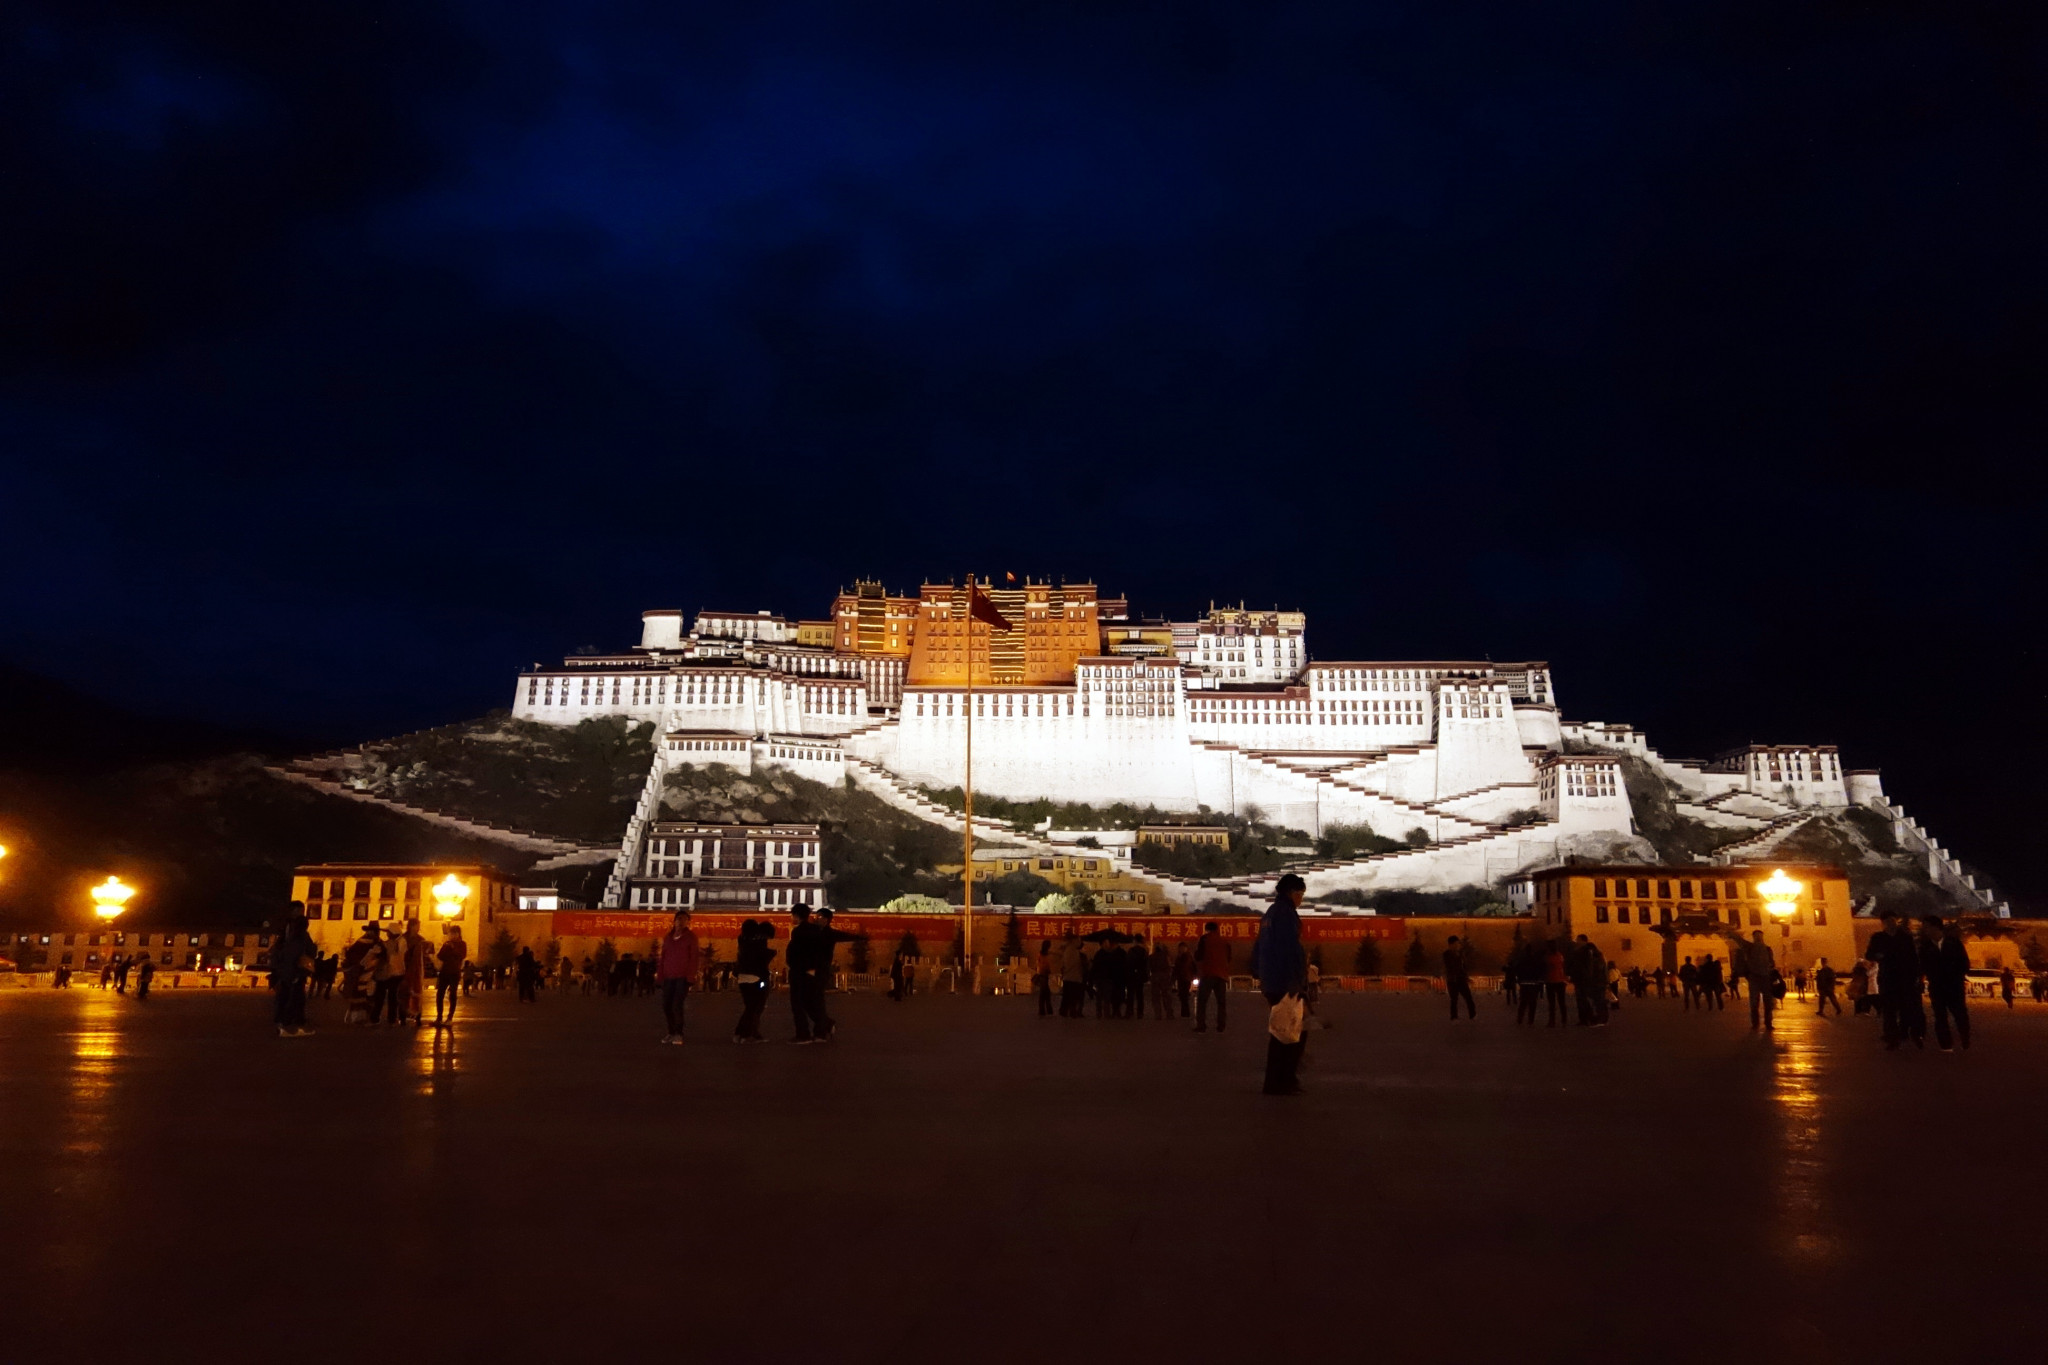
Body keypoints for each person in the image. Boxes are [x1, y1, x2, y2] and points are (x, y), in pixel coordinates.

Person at [1252, 874, 1310, 1095]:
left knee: (1282, 1030)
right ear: (1291, 893)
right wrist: (1297, 981)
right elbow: (1290, 950)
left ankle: (1278, 1080)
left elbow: (1258, 949)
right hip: (1285, 981)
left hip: (1272, 980)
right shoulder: (1285, 914)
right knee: (1289, 1032)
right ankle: (1282, 1081)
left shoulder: (1270, 914)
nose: (1301, 900)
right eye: (1300, 895)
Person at [1921, 916, 1970, 1052]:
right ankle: (1946, 1044)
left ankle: (1965, 1038)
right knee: (1940, 1015)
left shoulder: (1954, 943)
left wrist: (1956, 976)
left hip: (1954, 986)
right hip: (1936, 987)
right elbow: (1922, 965)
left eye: (1926, 926)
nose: (1924, 930)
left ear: (1935, 927)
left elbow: (1964, 964)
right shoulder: (1925, 947)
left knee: (1959, 1014)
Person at [655, 910, 700, 1044]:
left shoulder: (691, 937)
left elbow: (693, 958)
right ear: (674, 921)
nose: (681, 922)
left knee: (677, 1005)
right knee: (666, 1005)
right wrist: (660, 976)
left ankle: (678, 1033)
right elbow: (663, 958)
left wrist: (690, 977)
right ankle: (671, 1031)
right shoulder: (668, 938)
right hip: (668, 977)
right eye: (679, 919)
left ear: (688, 922)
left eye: (684, 919)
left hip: (682, 977)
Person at [272, 907, 317, 1038]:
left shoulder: (288, 936)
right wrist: (296, 973)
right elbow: (297, 954)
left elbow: (282, 954)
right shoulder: (300, 938)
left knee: (285, 997)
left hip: (287, 972)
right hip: (295, 973)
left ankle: (283, 1022)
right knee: (295, 999)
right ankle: (291, 1025)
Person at [731, 919, 776, 1041]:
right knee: (755, 1007)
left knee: (750, 1007)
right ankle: (745, 1033)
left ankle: (748, 1032)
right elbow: (760, 959)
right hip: (757, 978)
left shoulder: (742, 940)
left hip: (742, 978)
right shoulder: (759, 941)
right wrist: (772, 953)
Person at [1193, 922, 1230, 1033]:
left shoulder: (1204, 939)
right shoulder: (1224, 941)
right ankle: (1221, 1025)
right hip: (1221, 975)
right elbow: (1228, 957)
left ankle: (1201, 1025)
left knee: (1202, 1001)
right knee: (1221, 1002)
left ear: (1207, 929)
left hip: (1208, 974)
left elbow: (1199, 956)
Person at [342, 924, 381, 1024]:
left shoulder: (362, 941)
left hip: (361, 971)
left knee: (360, 992)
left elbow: (349, 953)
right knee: (366, 993)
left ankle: (357, 1016)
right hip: (367, 972)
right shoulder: (376, 942)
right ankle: (362, 1016)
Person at [433, 925, 467, 1028]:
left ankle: (449, 1018)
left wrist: (453, 949)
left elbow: (462, 955)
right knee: (440, 994)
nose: (452, 935)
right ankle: (439, 1017)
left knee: (453, 994)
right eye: (451, 933)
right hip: (444, 971)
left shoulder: (462, 944)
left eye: (454, 933)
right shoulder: (446, 944)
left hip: (454, 972)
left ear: (458, 934)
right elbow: (440, 956)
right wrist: (445, 947)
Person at [372, 925, 407, 1025]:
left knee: (388, 996)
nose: (386, 934)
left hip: (392, 972)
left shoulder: (398, 942)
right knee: (387, 996)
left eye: (388, 932)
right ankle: (386, 1018)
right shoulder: (398, 941)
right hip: (393, 972)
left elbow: (394, 955)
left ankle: (387, 1018)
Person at [1744, 931, 1777, 1032]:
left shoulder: (1767, 949)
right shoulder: (1750, 947)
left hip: (1764, 977)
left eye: (1759, 936)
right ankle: (1757, 1023)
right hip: (1755, 977)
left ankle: (1767, 1023)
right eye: (1756, 936)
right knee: (1754, 1002)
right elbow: (1772, 963)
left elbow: (1772, 962)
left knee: (1767, 1002)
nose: (1758, 938)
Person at [400, 922, 428, 1026]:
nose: (418, 928)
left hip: (416, 970)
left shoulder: (420, 939)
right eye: (417, 925)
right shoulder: (403, 938)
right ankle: (402, 1016)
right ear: (411, 926)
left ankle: (417, 1016)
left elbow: (424, 954)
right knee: (404, 994)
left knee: (416, 992)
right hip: (405, 969)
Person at [1443, 935, 1476, 1021]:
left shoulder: (1460, 954)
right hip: (1452, 980)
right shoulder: (1447, 954)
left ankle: (1473, 1015)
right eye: (1456, 944)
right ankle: (1454, 1017)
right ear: (1451, 944)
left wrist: (1466, 976)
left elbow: (1463, 967)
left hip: (1461, 979)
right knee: (1454, 999)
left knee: (1468, 997)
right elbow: (1451, 966)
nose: (1457, 945)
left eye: (1458, 944)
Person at [1058, 934, 1086, 1018]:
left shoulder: (1067, 950)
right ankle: (1072, 1011)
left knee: (1067, 995)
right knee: (1073, 996)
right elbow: (1076, 965)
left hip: (1068, 977)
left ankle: (1064, 1011)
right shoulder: (1073, 951)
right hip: (1075, 977)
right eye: (1078, 941)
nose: (1080, 942)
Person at [1543, 939, 1569, 1027]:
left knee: (1552, 1003)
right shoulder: (1560, 955)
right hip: (1561, 981)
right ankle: (1564, 1020)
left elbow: (1547, 968)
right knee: (1562, 1002)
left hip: (1551, 981)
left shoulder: (1548, 957)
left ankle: (1552, 1021)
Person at [1125, 936, 1150, 1019]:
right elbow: (1146, 964)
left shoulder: (1131, 951)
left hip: (1131, 975)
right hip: (1140, 975)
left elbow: (1128, 963)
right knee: (1140, 995)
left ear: (1135, 941)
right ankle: (1140, 1013)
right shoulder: (1144, 951)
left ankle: (1130, 1011)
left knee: (1130, 994)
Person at [1149, 941, 1174, 1021]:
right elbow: (1169, 966)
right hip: (1165, 977)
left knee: (1156, 997)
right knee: (1166, 996)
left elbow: (1148, 967)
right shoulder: (1166, 956)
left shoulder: (1151, 957)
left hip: (1155, 976)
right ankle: (1169, 1014)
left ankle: (1158, 1015)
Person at [1172, 942, 1195, 1018]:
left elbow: (1181, 967)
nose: (1181, 949)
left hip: (1186, 978)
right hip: (1182, 978)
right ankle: (1184, 1012)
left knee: (1184, 996)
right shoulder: (1180, 957)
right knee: (1182, 996)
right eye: (1180, 948)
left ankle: (1185, 1013)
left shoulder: (1187, 956)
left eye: (1183, 947)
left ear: (1186, 948)